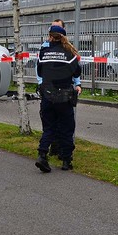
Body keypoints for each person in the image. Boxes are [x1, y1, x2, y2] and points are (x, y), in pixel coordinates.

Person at [35, 25, 82, 172]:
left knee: (49, 128)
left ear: (50, 36)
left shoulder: (43, 53)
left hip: (47, 96)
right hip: (64, 96)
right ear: (63, 37)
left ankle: (42, 155)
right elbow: (77, 72)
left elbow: (40, 72)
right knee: (66, 128)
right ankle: (66, 160)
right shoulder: (69, 53)